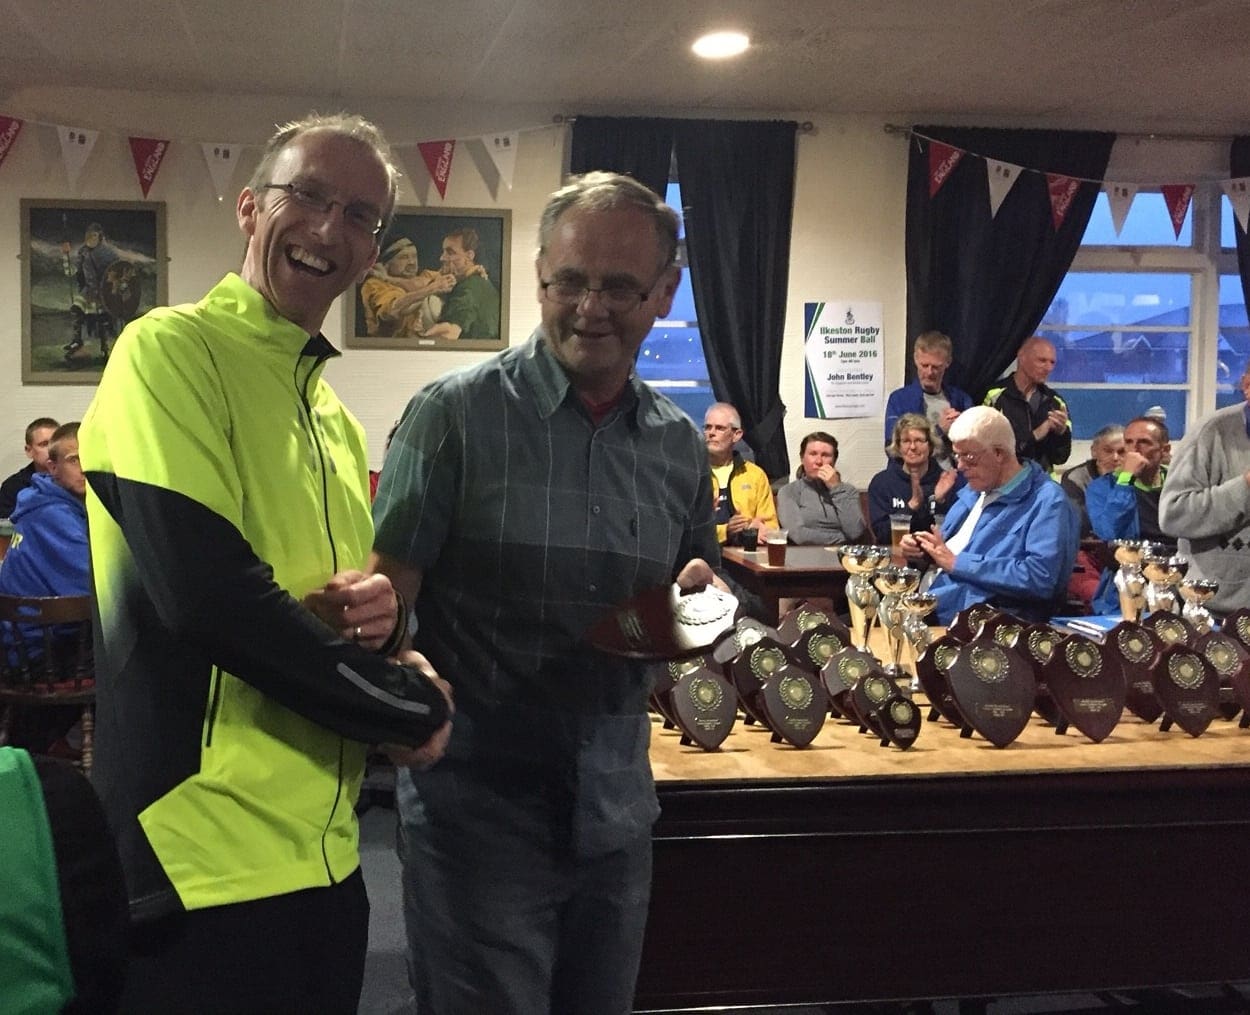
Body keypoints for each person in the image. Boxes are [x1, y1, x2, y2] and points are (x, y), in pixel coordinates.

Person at [78, 112, 453, 1014]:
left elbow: (328, 612)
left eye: (359, 215)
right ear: (251, 207)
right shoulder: (168, 350)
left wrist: (388, 631)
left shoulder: (334, 420)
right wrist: (407, 705)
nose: (328, 227)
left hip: (326, 856)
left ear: (373, 252)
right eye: (308, 195)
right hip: (198, 859)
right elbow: (210, 599)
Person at [371, 170, 722, 1014]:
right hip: (475, 819)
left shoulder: (679, 446)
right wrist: (401, 675)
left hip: (617, 813)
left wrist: (701, 612)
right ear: (537, 277)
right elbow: (387, 605)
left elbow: (695, 596)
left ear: (665, 292)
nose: (590, 309)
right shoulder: (451, 416)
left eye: (619, 287)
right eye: (570, 281)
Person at [902, 405, 1078, 625]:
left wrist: (958, 563)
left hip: (980, 625)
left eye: (969, 456)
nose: (961, 466)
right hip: (930, 606)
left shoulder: (1047, 501)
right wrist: (923, 552)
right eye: (957, 456)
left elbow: (1041, 577)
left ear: (999, 453)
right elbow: (946, 551)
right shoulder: (973, 491)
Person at [1158, 364, 1250, 616]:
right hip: (1214, 611)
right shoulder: (1211, 432)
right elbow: (1173, 514)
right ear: (1247, 386)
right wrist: (1244, 488)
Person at [1086, 416, 1173, 613]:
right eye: (1129, 442)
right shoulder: (1103, 487)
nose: (1134, 449)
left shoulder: (1178, 483)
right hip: (1126, 590)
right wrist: (1127, 479)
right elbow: (1109, 532)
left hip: (1175, 581)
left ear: (1164, 450)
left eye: (1144, 442)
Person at [0, 422, 88, 604]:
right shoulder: (52, 514)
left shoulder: (42, 498)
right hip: (39, 620)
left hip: (40, 614)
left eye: (89, 458)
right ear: (53, 467)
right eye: (74, 460)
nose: (84, 468)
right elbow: (97, 581)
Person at [883, 330, 973, 469]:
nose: (929, 372)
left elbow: (974, 448)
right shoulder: (899, 399)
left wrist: (961, 429)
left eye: (936, 367)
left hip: (952, 474)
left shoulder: (961, 399)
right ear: (915, 359)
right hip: (913, 476)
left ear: (948, 362)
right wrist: (939, 430)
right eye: (924, 365)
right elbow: (892, 448)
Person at [867, 413, 961, 544]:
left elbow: (956, 534)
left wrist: (940, 502)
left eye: (919, 440)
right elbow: (882, 535)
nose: (912, 447)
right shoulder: (882, 483)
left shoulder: (946, 481)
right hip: (896, 553)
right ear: (898, 446)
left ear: (930, 445)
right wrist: (912, 506)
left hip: (936, 552)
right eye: (906, 441)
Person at [983, 335, 1072, 473]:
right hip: (1004, 479)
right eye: (1042, 360)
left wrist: (1061, 434)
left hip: (1042, 481)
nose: (1048, 368)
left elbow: (1060, 458)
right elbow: (986, 447)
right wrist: (1036, 434)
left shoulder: (1055, 401)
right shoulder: (994, 396)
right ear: (1022, 357)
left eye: (1052, 362)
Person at [776, 430, 868, 545]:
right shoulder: (789, 491)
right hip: (805, 552)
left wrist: (836, 488)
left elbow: (855, 531)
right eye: (813, 454)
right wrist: (843, 539)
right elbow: (798, 535)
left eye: (826, 455)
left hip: (843, 553)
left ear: (834, 461)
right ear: (802, 458)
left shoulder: (848, 491)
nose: (819, 461)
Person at [705, 401, 778, 545]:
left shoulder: (755, 475)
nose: (711, 433)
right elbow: (686, 531)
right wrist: (725, 531)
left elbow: (772, 527)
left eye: (719, 428)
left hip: (747, 551)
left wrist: (757, 529)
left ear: (736, 435)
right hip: (705, 552)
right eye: (707, 427)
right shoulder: (693, 474)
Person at [359, 236, 454, 337]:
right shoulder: (375, 285)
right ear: (386, 264)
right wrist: (431, 289)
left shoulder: (426, 275)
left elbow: (422, 284)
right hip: (391, 345)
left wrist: (387, 278)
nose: (412, 262)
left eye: (414, 256)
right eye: (404, 257)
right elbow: (394, 309)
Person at [420, 226, 501, 340]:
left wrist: (418, 338)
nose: (442, 258)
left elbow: (448, 333)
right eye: (443, 252)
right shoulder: (478, 283)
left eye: (450, 252)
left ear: (469, 255)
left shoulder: (468, 289)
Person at [62, 223, 123, 362]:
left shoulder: (109, 253)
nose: (91, 238)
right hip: (89, 291)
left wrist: (115, 287)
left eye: (94, 235)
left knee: (102, 320)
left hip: (104, 292)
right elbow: (71, 271)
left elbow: (118, 271)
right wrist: (66, 255)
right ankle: (77, 341)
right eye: (89, 235)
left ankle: (105, 349)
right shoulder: (83, 252)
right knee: (76, 310)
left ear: (100, 236)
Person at [1060, 423, 1125, 535]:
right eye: (1108, 451)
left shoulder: (1136, 475)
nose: (1115, 458)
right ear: (1094, 451)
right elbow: (1079, 522)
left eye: (1122, 452)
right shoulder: (1075, 478)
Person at [0, 416, 59, 519]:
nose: (51, 449)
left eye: (55, 443)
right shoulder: (12, 488)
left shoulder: (75, 479)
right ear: (29, 451)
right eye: (44, 444)